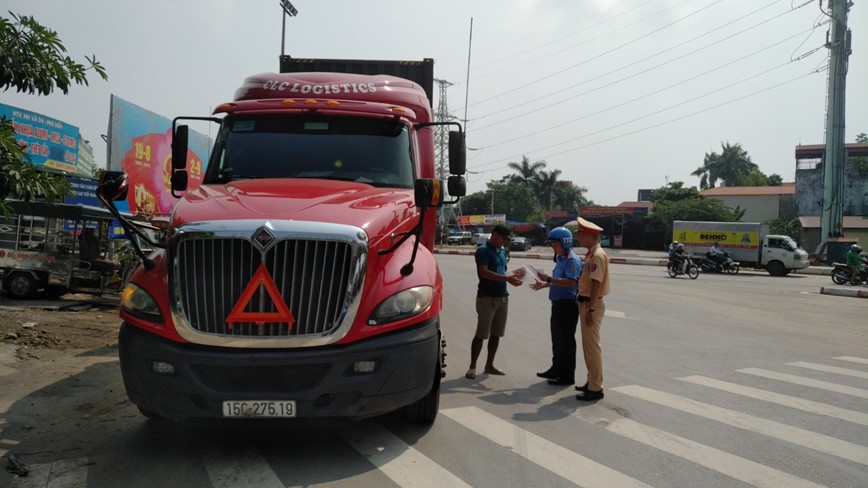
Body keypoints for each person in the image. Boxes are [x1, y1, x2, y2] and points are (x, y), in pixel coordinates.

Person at [466, 224, 523, 380]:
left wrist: (514, 276)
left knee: (496, 333)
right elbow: (484, 273)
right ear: (495, 235)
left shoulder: (502, 252)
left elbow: (502, 271)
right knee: (481, 334)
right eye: (503, 238)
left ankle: (489, 365)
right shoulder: (483, 251)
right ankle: (472, 367)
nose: (504, 242)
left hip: (502, 296)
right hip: (487, 298)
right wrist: (506, 279)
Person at [531, 227, 583, 386]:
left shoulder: (571, 260)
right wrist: (545, 284)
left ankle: (567, 376)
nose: (553, 247)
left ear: (565, 243)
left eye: (555, 244)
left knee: (566, 342)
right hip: (558, 304)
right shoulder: (561, 258)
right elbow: (559, 281)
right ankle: (556, 369)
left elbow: (570, 282)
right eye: (552, 245)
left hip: (567, 306)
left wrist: (550, 279)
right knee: (557, 340)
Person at [574, 217, 610, 401]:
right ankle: (591, 381)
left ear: (588, 236)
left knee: (592, 348)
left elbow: (596, 284)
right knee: (588, 347)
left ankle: (596, 387)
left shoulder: (597, 255)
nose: (578, 238)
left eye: (580, 234)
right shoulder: (590, 254)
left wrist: (591, 310)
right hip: (586, 303)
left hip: (591, 304)